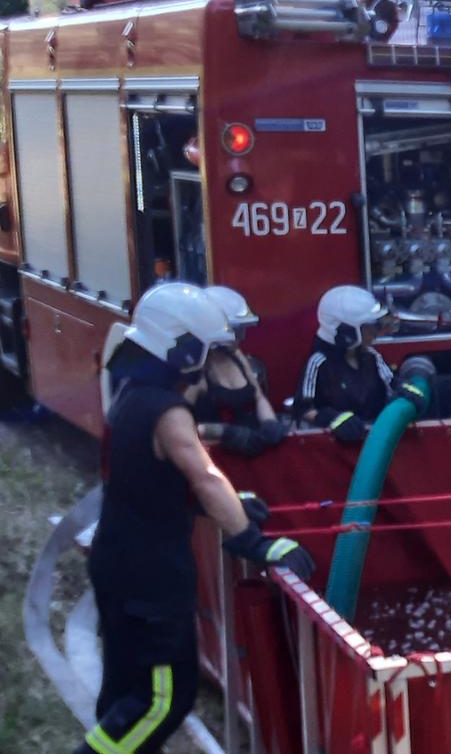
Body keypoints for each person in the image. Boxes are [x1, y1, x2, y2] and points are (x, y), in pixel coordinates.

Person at [78, 283, 313, 754]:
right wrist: (253, 540)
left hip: (118, 563)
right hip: (151, 579)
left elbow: (159, 481)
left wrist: (227, 503)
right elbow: (204, 475)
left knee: (125, 687)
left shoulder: (131, 393)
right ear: (181, 348)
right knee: (163, 700)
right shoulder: (167, 412)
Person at [295, 285, 399, 444]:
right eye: (368, 328)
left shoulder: (372, 357)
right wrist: (333, 419)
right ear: (346, 332)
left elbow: (393, 385)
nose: (374, 334)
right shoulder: (319, 363)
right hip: (337, 450)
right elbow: (303, 409)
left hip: (376, 443)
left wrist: (407, 389)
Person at [189, 286, 285, 457]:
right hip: (218, 460)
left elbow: (258, 396)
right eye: (235, 330)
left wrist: (270, 422)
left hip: (254, 454)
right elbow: (180, 429)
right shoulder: (194, 370)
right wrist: (225, 433)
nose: (240, 337)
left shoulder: (236, 355)